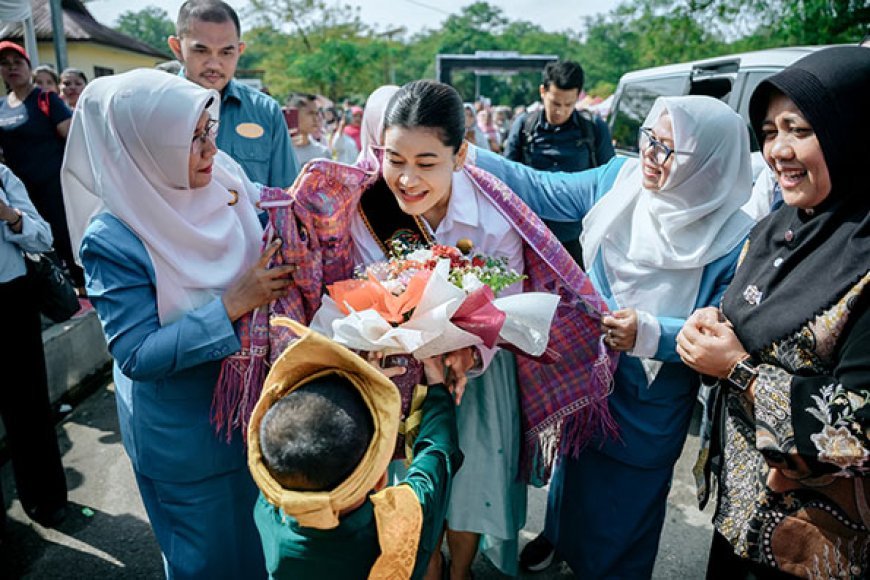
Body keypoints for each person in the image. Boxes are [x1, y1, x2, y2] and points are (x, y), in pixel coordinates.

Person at [473, 95, 756, 577]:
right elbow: (540, 187)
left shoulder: (735, 238)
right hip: (586, 379)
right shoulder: (618, 182)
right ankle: (558, 540)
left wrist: (649, 332)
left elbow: (722, 327)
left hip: (650, 397)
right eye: (650, 138)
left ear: (708, 162)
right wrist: (462, 152)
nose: (650, 154)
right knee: (574, 477)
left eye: (669, 149)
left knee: (626, 514)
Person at [61, 68, 295, 578]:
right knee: (207, 564)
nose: (211, 148)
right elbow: (138, 355)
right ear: (146, 149)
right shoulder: (113, 238)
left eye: (207, 129)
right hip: (186, 441)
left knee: (258, 555)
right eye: (191, 140)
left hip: (250, 417)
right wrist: (232, 304)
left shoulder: (226, 183)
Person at [676, 46, 870, 580]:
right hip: (742, 518)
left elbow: (860, 424)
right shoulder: (775, 229)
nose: (777, 150)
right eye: (768, 131)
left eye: (799, 129)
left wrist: (736, 368)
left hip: (822, 541)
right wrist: (711, 324)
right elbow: (749, 313)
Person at [248, 319, 463, 579]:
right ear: (379, 475)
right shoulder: (400, 522)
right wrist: (436, 386)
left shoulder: (271, 511)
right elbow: (437, 455)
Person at [0, 163, 68, 532]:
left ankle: (46, 499)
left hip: (11, 302)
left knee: (28, 406)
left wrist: (10, 216)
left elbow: (43, 238)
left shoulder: (3, 176)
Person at [168, 0, 299, 188]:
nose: (214, 64)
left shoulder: (265, 111)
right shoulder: (156, 110)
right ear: (177, 48)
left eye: (226, 53)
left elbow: (285, 193)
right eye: (201, 51)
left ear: (240, 50)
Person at [503, 60, 616, 267]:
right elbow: (506, 178)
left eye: (568, 104)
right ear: (543, 92)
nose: (561, 111)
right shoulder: (524, 127)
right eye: (555, 103)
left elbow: (609, 180)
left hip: (579, 237)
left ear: (578, 97)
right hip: (531, 235)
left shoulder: (593, 128)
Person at [0, 41, 82, 289]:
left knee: (66, 239)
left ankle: (83, 288)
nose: (12, 68)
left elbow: (74, 140)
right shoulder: (1, 107)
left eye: (18, 62)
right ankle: (58, 293)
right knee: (35, 243)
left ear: (28, 66)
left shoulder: (46, 100)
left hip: (54, 186)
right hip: (21, 193)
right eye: (5, 64)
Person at [286, 93, 329, 165]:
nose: (316, 119)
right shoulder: (278, 153)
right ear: (293, 114)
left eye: (316, 113)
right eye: (310, 113)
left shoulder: (322, 153)